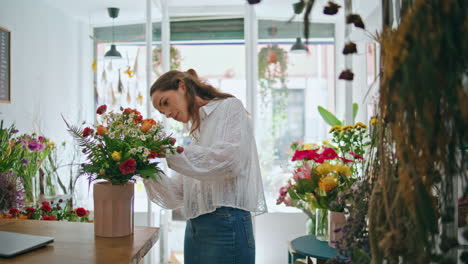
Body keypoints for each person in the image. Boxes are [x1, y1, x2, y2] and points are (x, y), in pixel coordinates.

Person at [144, 69, 267, 264]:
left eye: (165, 102)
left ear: (182, 86)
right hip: (194, 227)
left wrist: (169, 152)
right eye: (161, 112)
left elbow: (229, 162)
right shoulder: (197, 134)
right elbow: (176, 194)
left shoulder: (229, 107)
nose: (167, 114)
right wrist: (143, 166)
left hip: (226, 224)